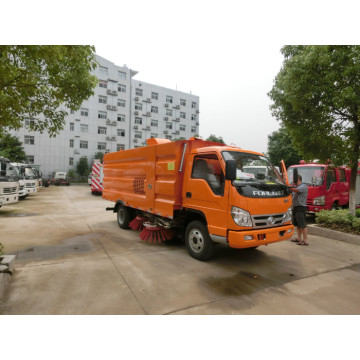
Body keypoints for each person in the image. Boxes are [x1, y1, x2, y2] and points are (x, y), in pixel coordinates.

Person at [290, 175, 309, 245]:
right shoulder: (297, 187)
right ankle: (299, 238)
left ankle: (305, 240)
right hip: (296, 207)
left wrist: (288, 187)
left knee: (303, 225)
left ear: (298, 179)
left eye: (294, 179)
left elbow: (295, 190)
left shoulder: (303, 186)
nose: (293, 181)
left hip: (301, 207)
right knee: (298, 225)